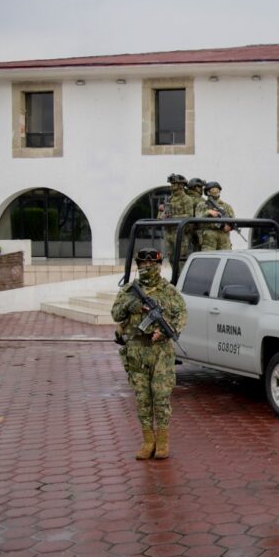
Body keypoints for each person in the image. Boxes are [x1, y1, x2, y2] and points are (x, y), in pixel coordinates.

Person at [111, 248, 187, 460]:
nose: (146, 268)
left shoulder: (168, 291)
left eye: (150, 264)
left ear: (159, 265)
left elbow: (182, 314)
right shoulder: (128, 290)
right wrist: (131, 305)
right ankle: (148, 441)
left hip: (160, 352)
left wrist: (165, 331)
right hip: (136, 350)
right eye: (142, 264)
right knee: (143, 399)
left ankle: (162, 441)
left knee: (161, 397)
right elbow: (115, 313)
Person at [158, 174, 189, 260]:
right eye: (171, 184)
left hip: (179, 233)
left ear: (181, 185)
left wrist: (172, 217)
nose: (172, 186)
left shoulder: (186, 199)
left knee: (181, 259)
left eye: (174, 183)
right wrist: (161, 212)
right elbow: (160, 218)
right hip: (168, 233)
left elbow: (189, 216)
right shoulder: (169, 199)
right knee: (171, 258)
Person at [200, 181, 236, 251]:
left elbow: (233, 220)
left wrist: (230, 227)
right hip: (209, 237)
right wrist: (208, 212)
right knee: (209, 258)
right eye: (213, 189)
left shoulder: (226, 206)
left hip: (224, 237)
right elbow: (198, 218)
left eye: (217, 189)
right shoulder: (202, 205)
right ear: (208, 192)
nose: (216, 191)